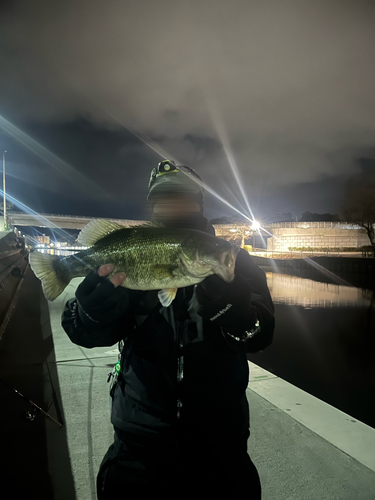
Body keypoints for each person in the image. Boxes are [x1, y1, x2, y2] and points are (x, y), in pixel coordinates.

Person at [61, 160, 275, 499]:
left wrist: (235, 311)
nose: (174, 203)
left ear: (200, 202)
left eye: (183, 195)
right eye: (165, 197)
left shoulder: (233, 259)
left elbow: (261, 334)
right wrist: (91, 313)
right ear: (153, 204)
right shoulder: (133, 249)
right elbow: (85, 333)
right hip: (138, 444)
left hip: (219, 443)